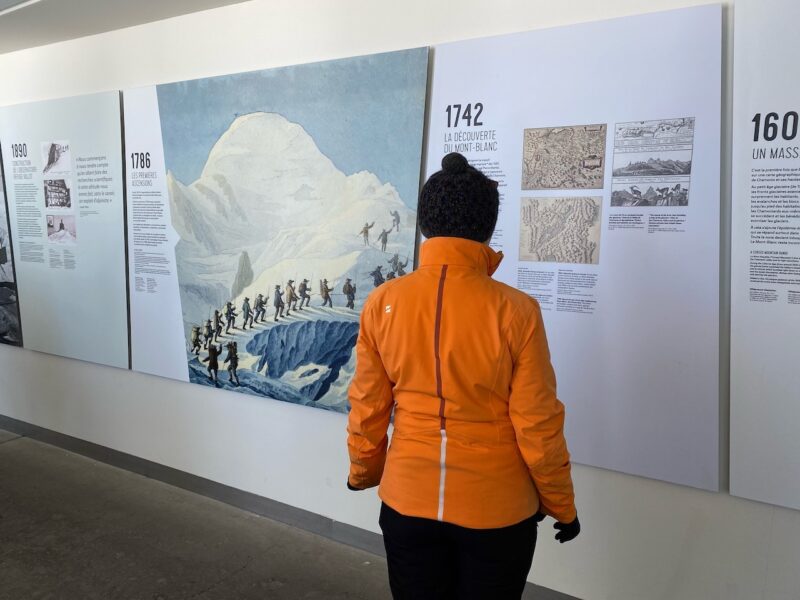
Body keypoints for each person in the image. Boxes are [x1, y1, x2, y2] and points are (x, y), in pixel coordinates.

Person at [346, 153, 579, 599]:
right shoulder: (517, 310)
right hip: (497, 511)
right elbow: (538, 424)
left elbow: (368, 408)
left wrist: (362, 472)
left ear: (424, 225)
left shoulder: (382, 302)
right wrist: (561, 505)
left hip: (406, 501)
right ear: (488, 228)